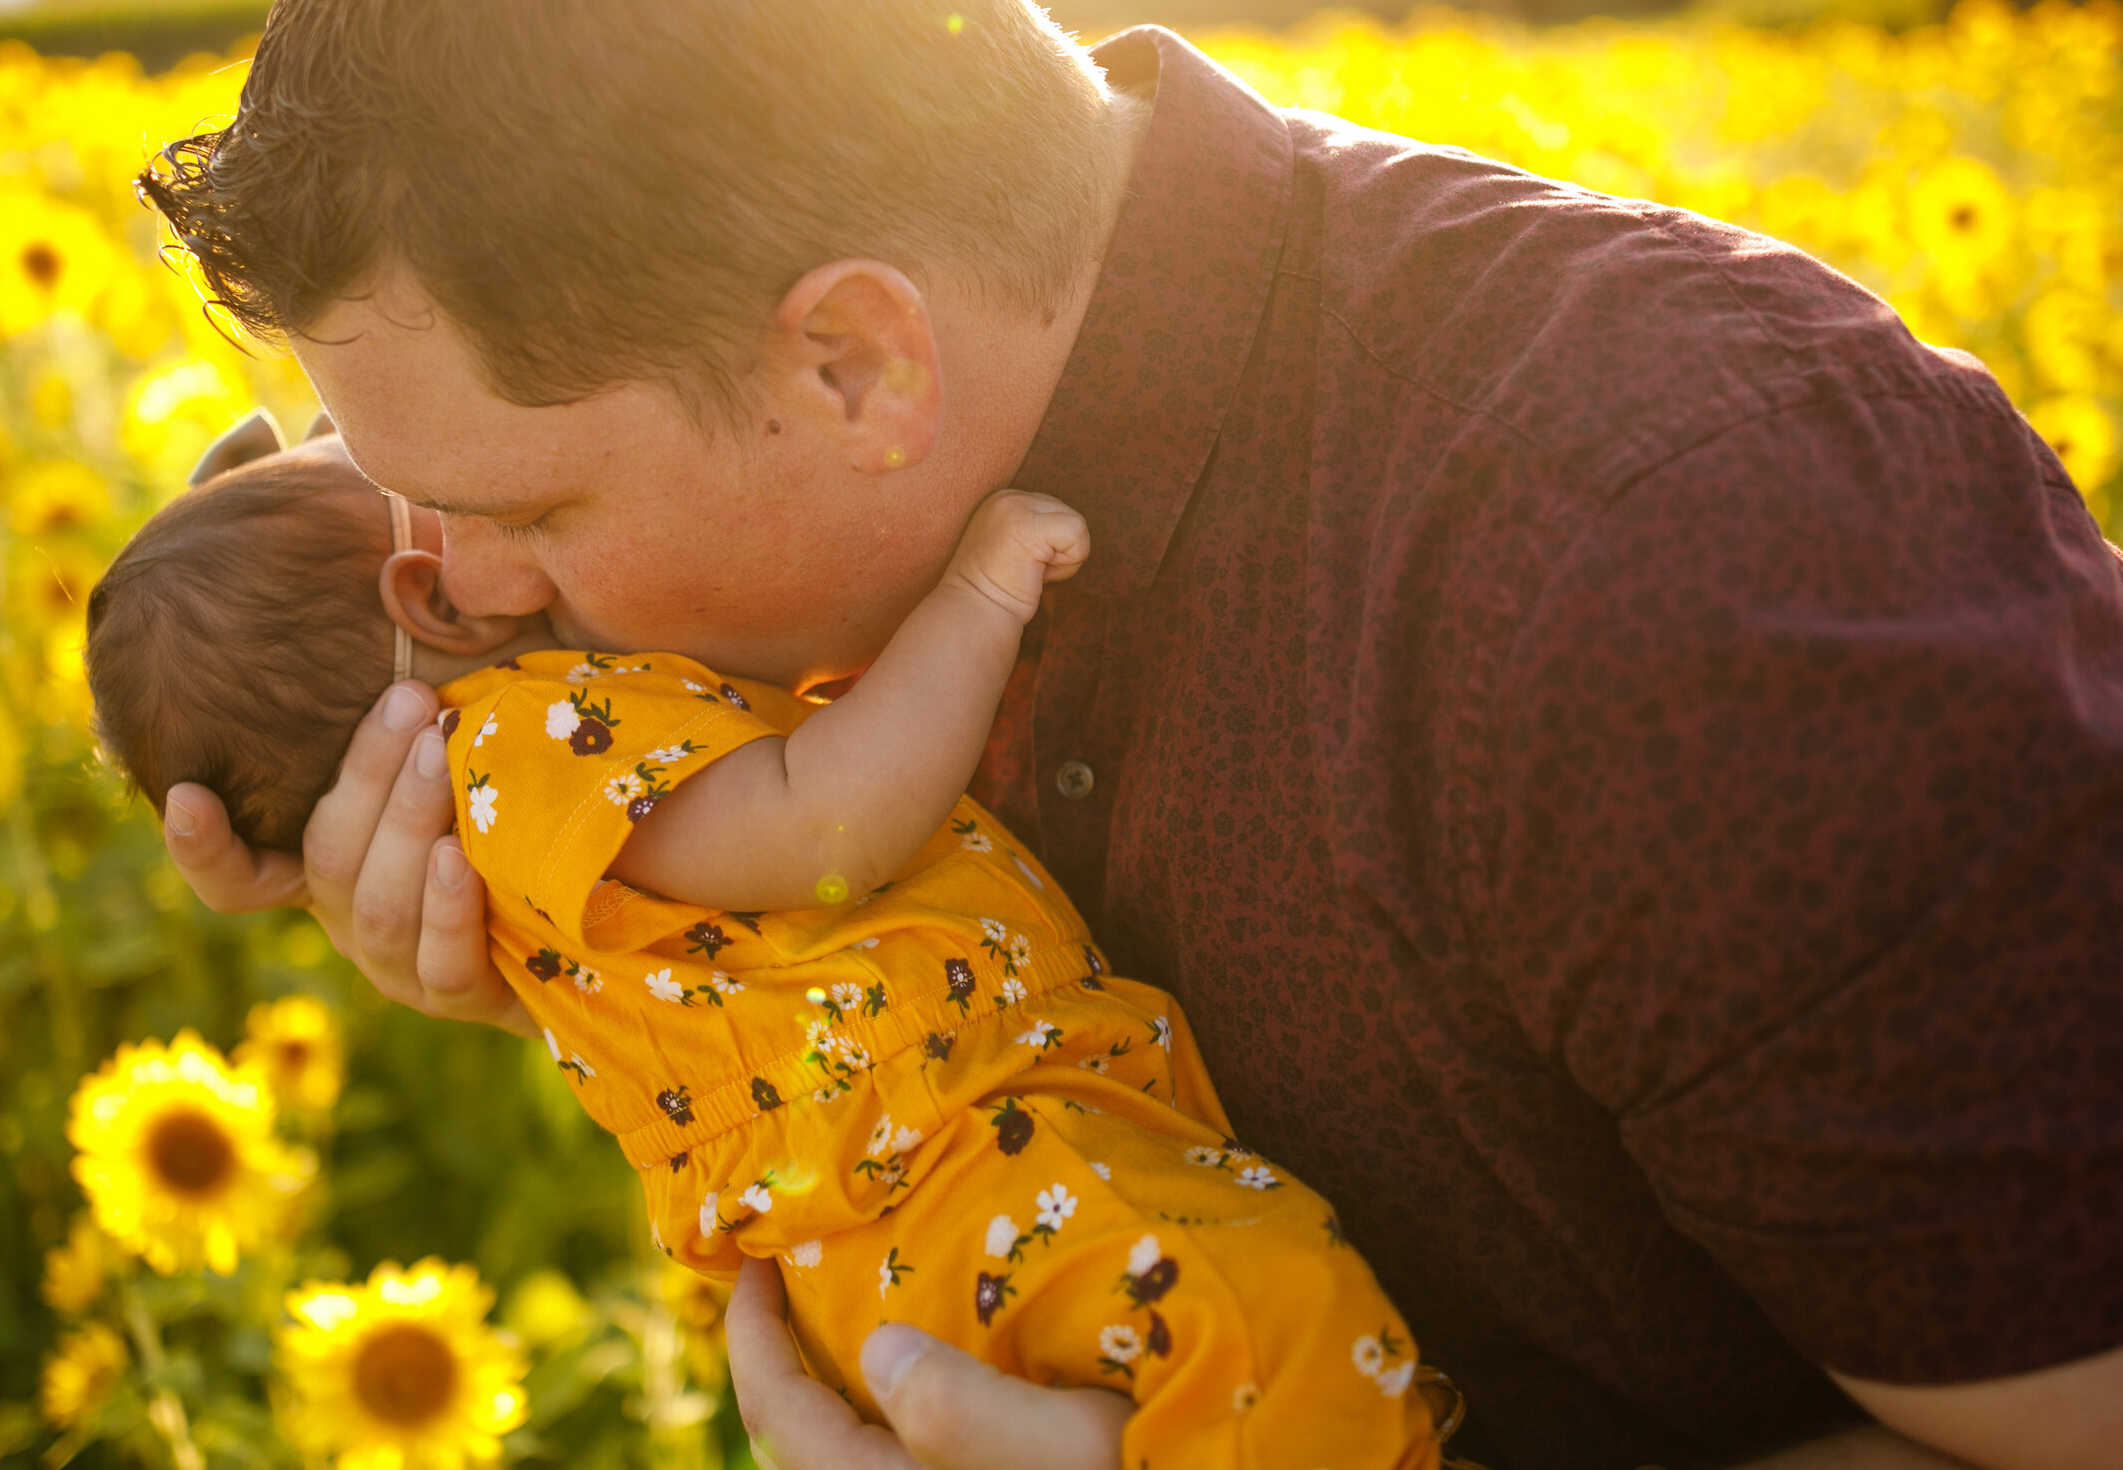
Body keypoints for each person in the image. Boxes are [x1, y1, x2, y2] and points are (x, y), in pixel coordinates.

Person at [135, 0, 2123, 1465]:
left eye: (515, 513)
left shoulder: (1658, 572)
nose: (456, 603)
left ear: (848, 366)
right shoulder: (834, 576)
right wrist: (629, 950)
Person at [86, 437, 1453, 1467]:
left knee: (1214, 1348)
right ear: (436, 601)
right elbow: (823, 823)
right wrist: (977, 594)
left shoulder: (507, 840)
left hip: (878, 1240)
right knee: (1253, 1328)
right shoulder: (529, 732)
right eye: (453, 484)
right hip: (951, 1166)